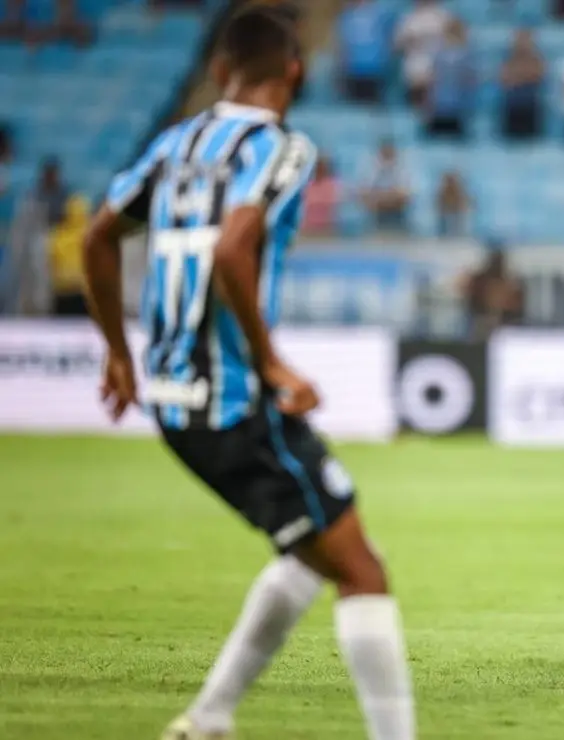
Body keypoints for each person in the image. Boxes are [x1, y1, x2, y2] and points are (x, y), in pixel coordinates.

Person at [80, 8, 416, 739]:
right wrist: (270, 360)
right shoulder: (282, 149)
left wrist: (118, 352)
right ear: (294, 71)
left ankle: (211, 716)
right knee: (362, 570)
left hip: (173, 400)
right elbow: (234, 249)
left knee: (311, 553)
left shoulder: (174, 142)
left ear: (220, 69)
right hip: (234, 400)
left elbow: (98, 236)